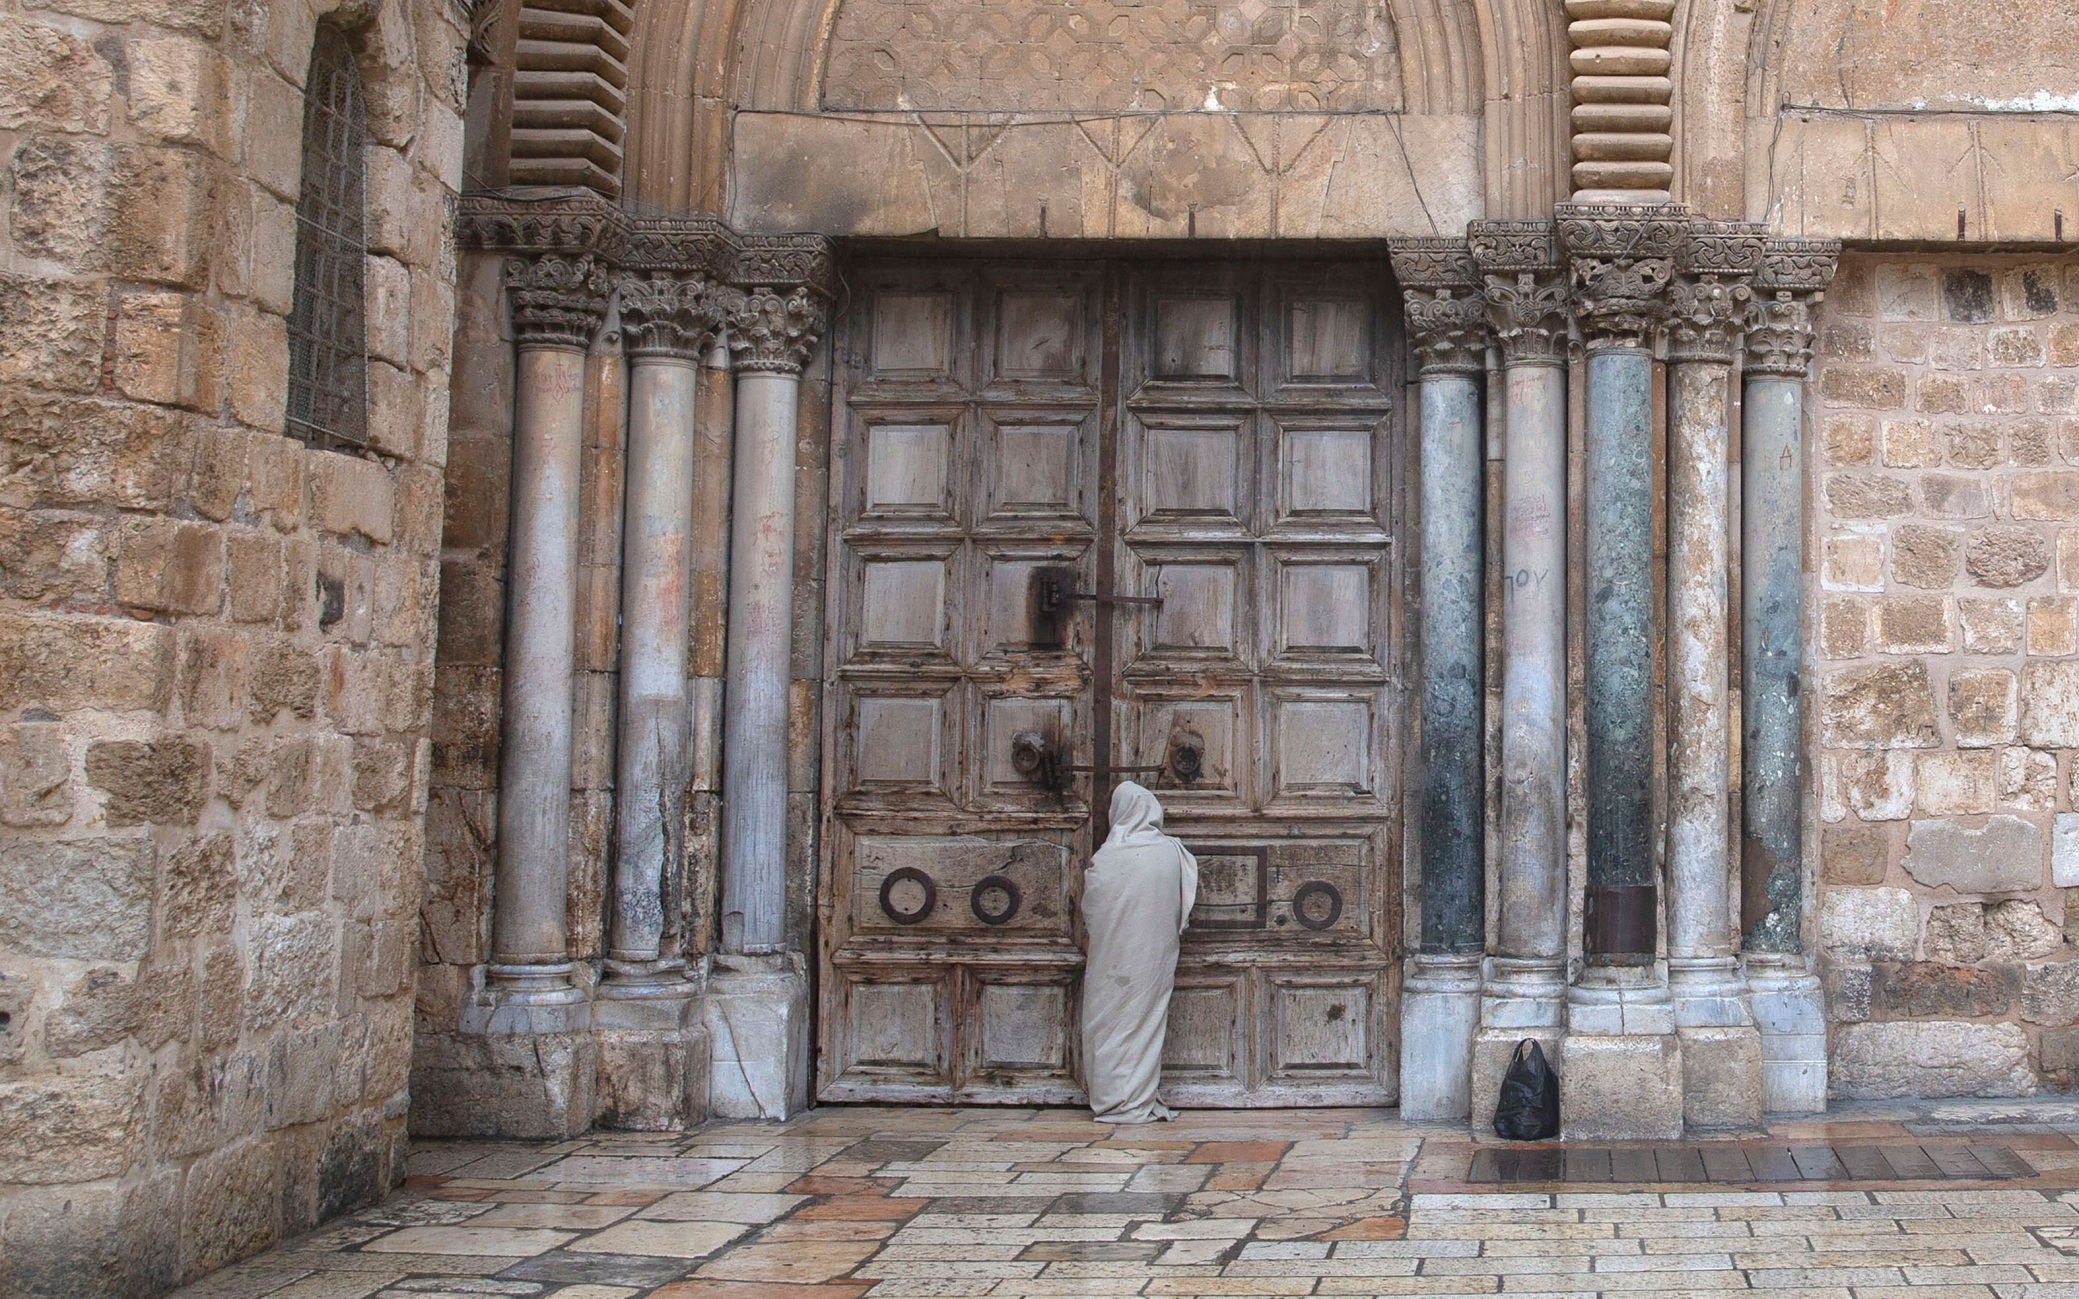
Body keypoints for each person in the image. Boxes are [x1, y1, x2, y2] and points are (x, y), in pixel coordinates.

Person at [1080, 781, 1199, 1123]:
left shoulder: (1107, 857)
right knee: (1144, 1021)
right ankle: (1135, 1098)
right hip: (1154, 955)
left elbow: (1093, 907)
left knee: (1107, 1023)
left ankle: (1113, 1099)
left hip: (1111, 957)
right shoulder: (1172, 853)